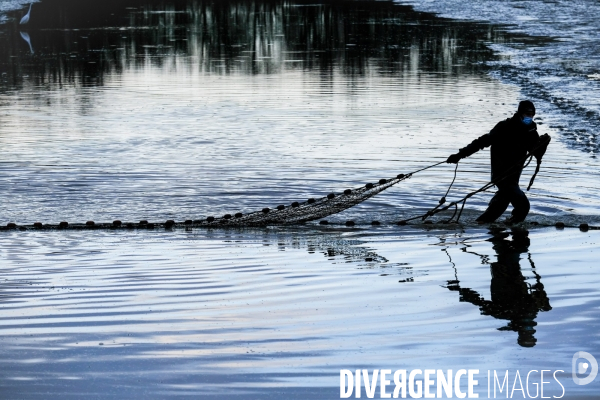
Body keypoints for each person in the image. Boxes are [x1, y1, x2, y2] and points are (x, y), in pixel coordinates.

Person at [446, 100, 550, 224]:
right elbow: (482, 142)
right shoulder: (504, 127)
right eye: (527, 114)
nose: (529, 117)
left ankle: (490, 230)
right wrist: (460, 155)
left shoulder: (531, 132)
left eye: (531, 115)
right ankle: (513, 233)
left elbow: (537, 154)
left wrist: (543, 145)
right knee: (523, 206)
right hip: (501, 176)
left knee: (495, 211)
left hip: (513, 178)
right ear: (519, 113)